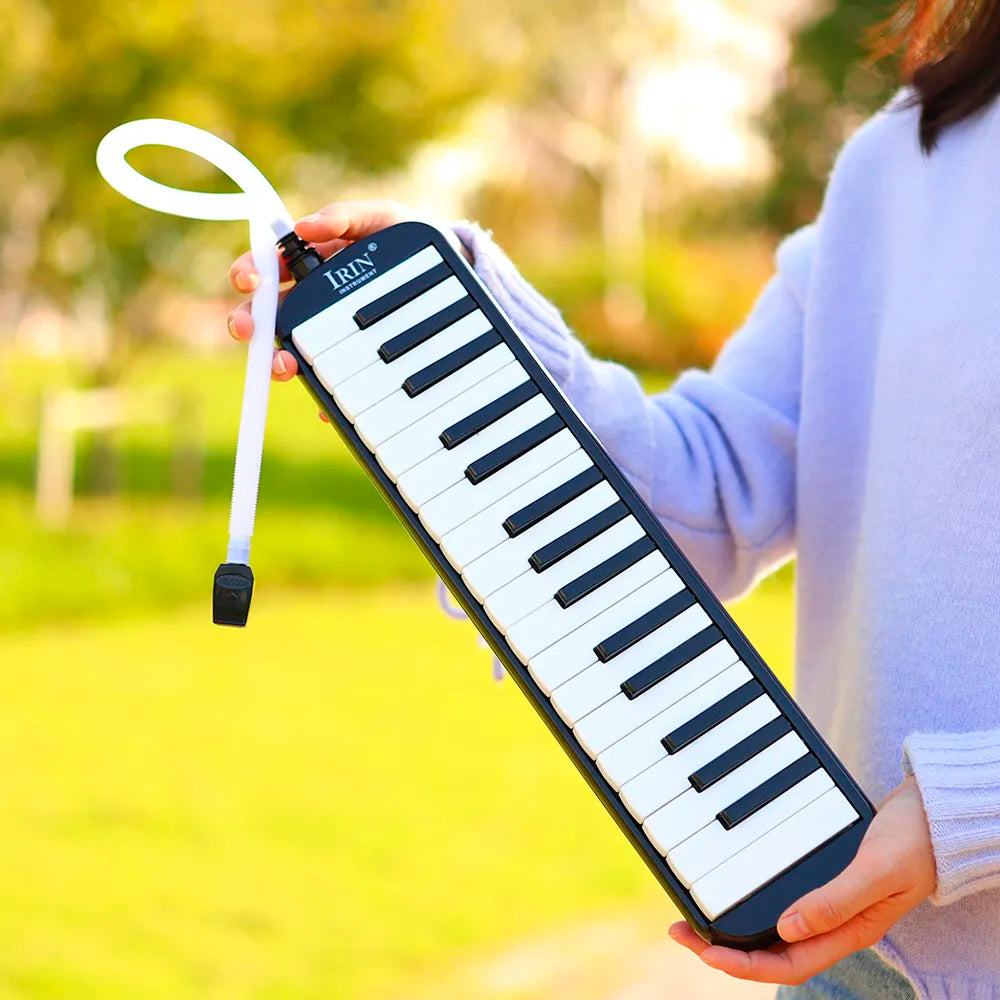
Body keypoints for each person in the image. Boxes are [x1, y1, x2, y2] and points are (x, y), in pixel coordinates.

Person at [224, 2, 1000, 996]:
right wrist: (458, 340)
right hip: (860, 963)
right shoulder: (904, 160)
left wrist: (962, 815)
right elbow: (707, 495)